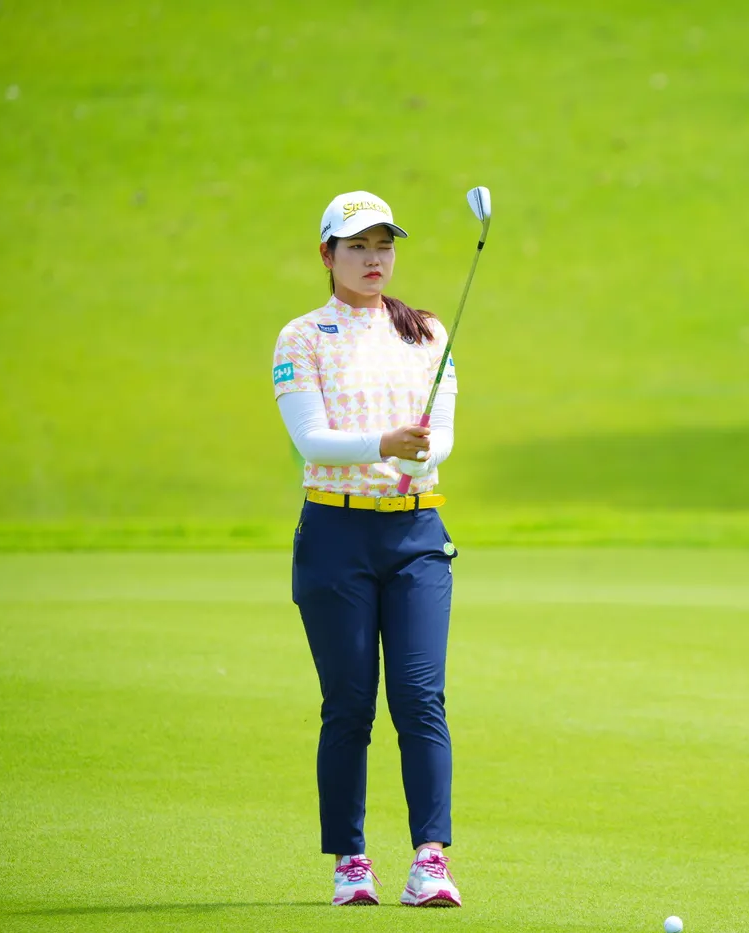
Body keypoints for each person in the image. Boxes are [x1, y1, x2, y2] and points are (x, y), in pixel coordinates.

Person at [271, 190, 462, 907]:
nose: (374, 258)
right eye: (357, 246)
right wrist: (385, 444)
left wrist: (420, 455)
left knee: (420, 697)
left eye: (384, 245)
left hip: (416, 534)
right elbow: (312, 440)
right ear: (327, 255)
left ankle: (430, 861)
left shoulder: (427, 331)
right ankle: (351, 861)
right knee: (349, 703)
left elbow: (442, 434)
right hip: (336, 534)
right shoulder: (301, 337)